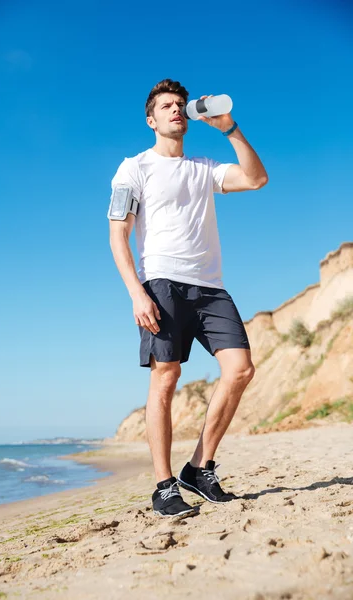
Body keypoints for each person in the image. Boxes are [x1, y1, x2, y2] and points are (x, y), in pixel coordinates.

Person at [107, 79, 268, 518]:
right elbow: (118, 235)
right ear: (151, 119)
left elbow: (256, 179)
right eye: (166, 105)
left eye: (180, 104)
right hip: (161, 284)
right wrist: (136, 292)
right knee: (166, 378)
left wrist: (229, 129)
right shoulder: (133, 168)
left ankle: (199, 467)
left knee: (240, 370)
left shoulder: (204, 168)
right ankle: (163, 486)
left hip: (211, 287)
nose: (176, 110)